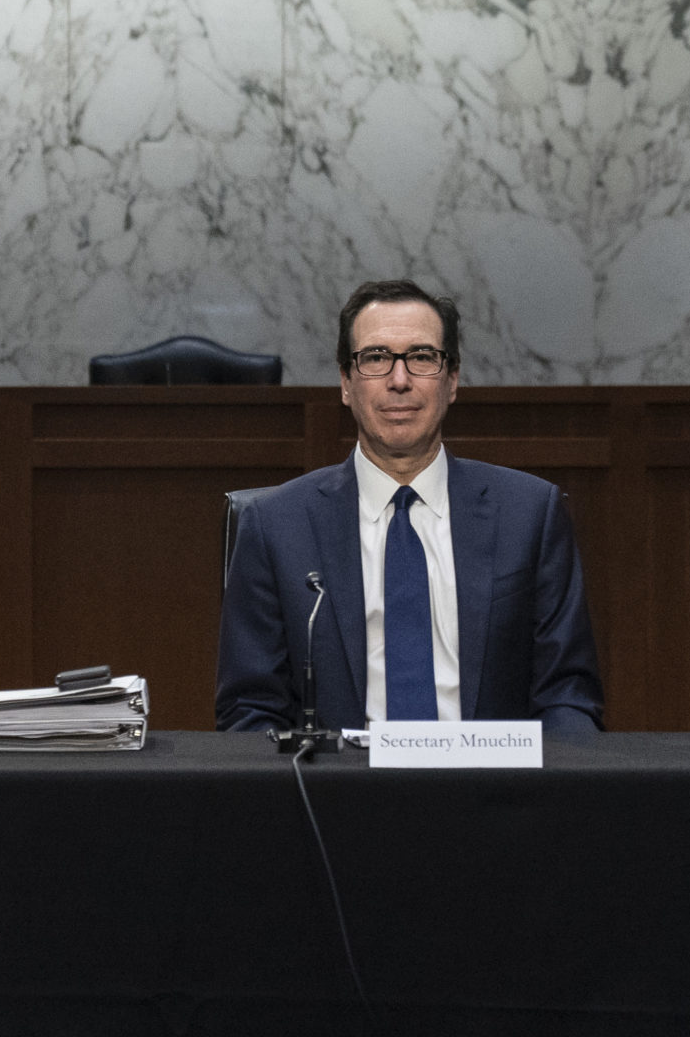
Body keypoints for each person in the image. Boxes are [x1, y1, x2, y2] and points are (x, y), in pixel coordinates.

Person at [217, 279, 603, 734]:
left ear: (452, 380)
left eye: (421, 358)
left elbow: (568, 696)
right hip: (335, 797)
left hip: (494, 794)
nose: (399, 381)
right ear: (345, 382)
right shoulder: (276, 526)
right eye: (376, 358)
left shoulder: (530, 514)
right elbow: (250, 712)